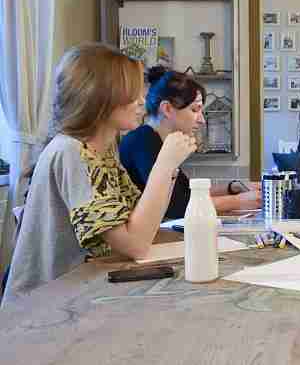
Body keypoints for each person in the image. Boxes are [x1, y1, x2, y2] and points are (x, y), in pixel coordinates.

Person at [4, 43, 196, 303]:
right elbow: (136, 244)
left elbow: (143, 223)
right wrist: (164, 165)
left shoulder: (102, 150)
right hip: (41, 306)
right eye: (131, 94)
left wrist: (170, 167)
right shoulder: (72, 152)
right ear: (101, 98)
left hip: (79, 293)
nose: (141, 101)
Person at [119, 66, 261, 219]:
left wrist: (231, 188)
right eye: (194, 110)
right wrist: (238, 201)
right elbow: (177, 207)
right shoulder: (143, 142)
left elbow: (186, 193)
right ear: (167, 109)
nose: (202, 120)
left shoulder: (156, 141)